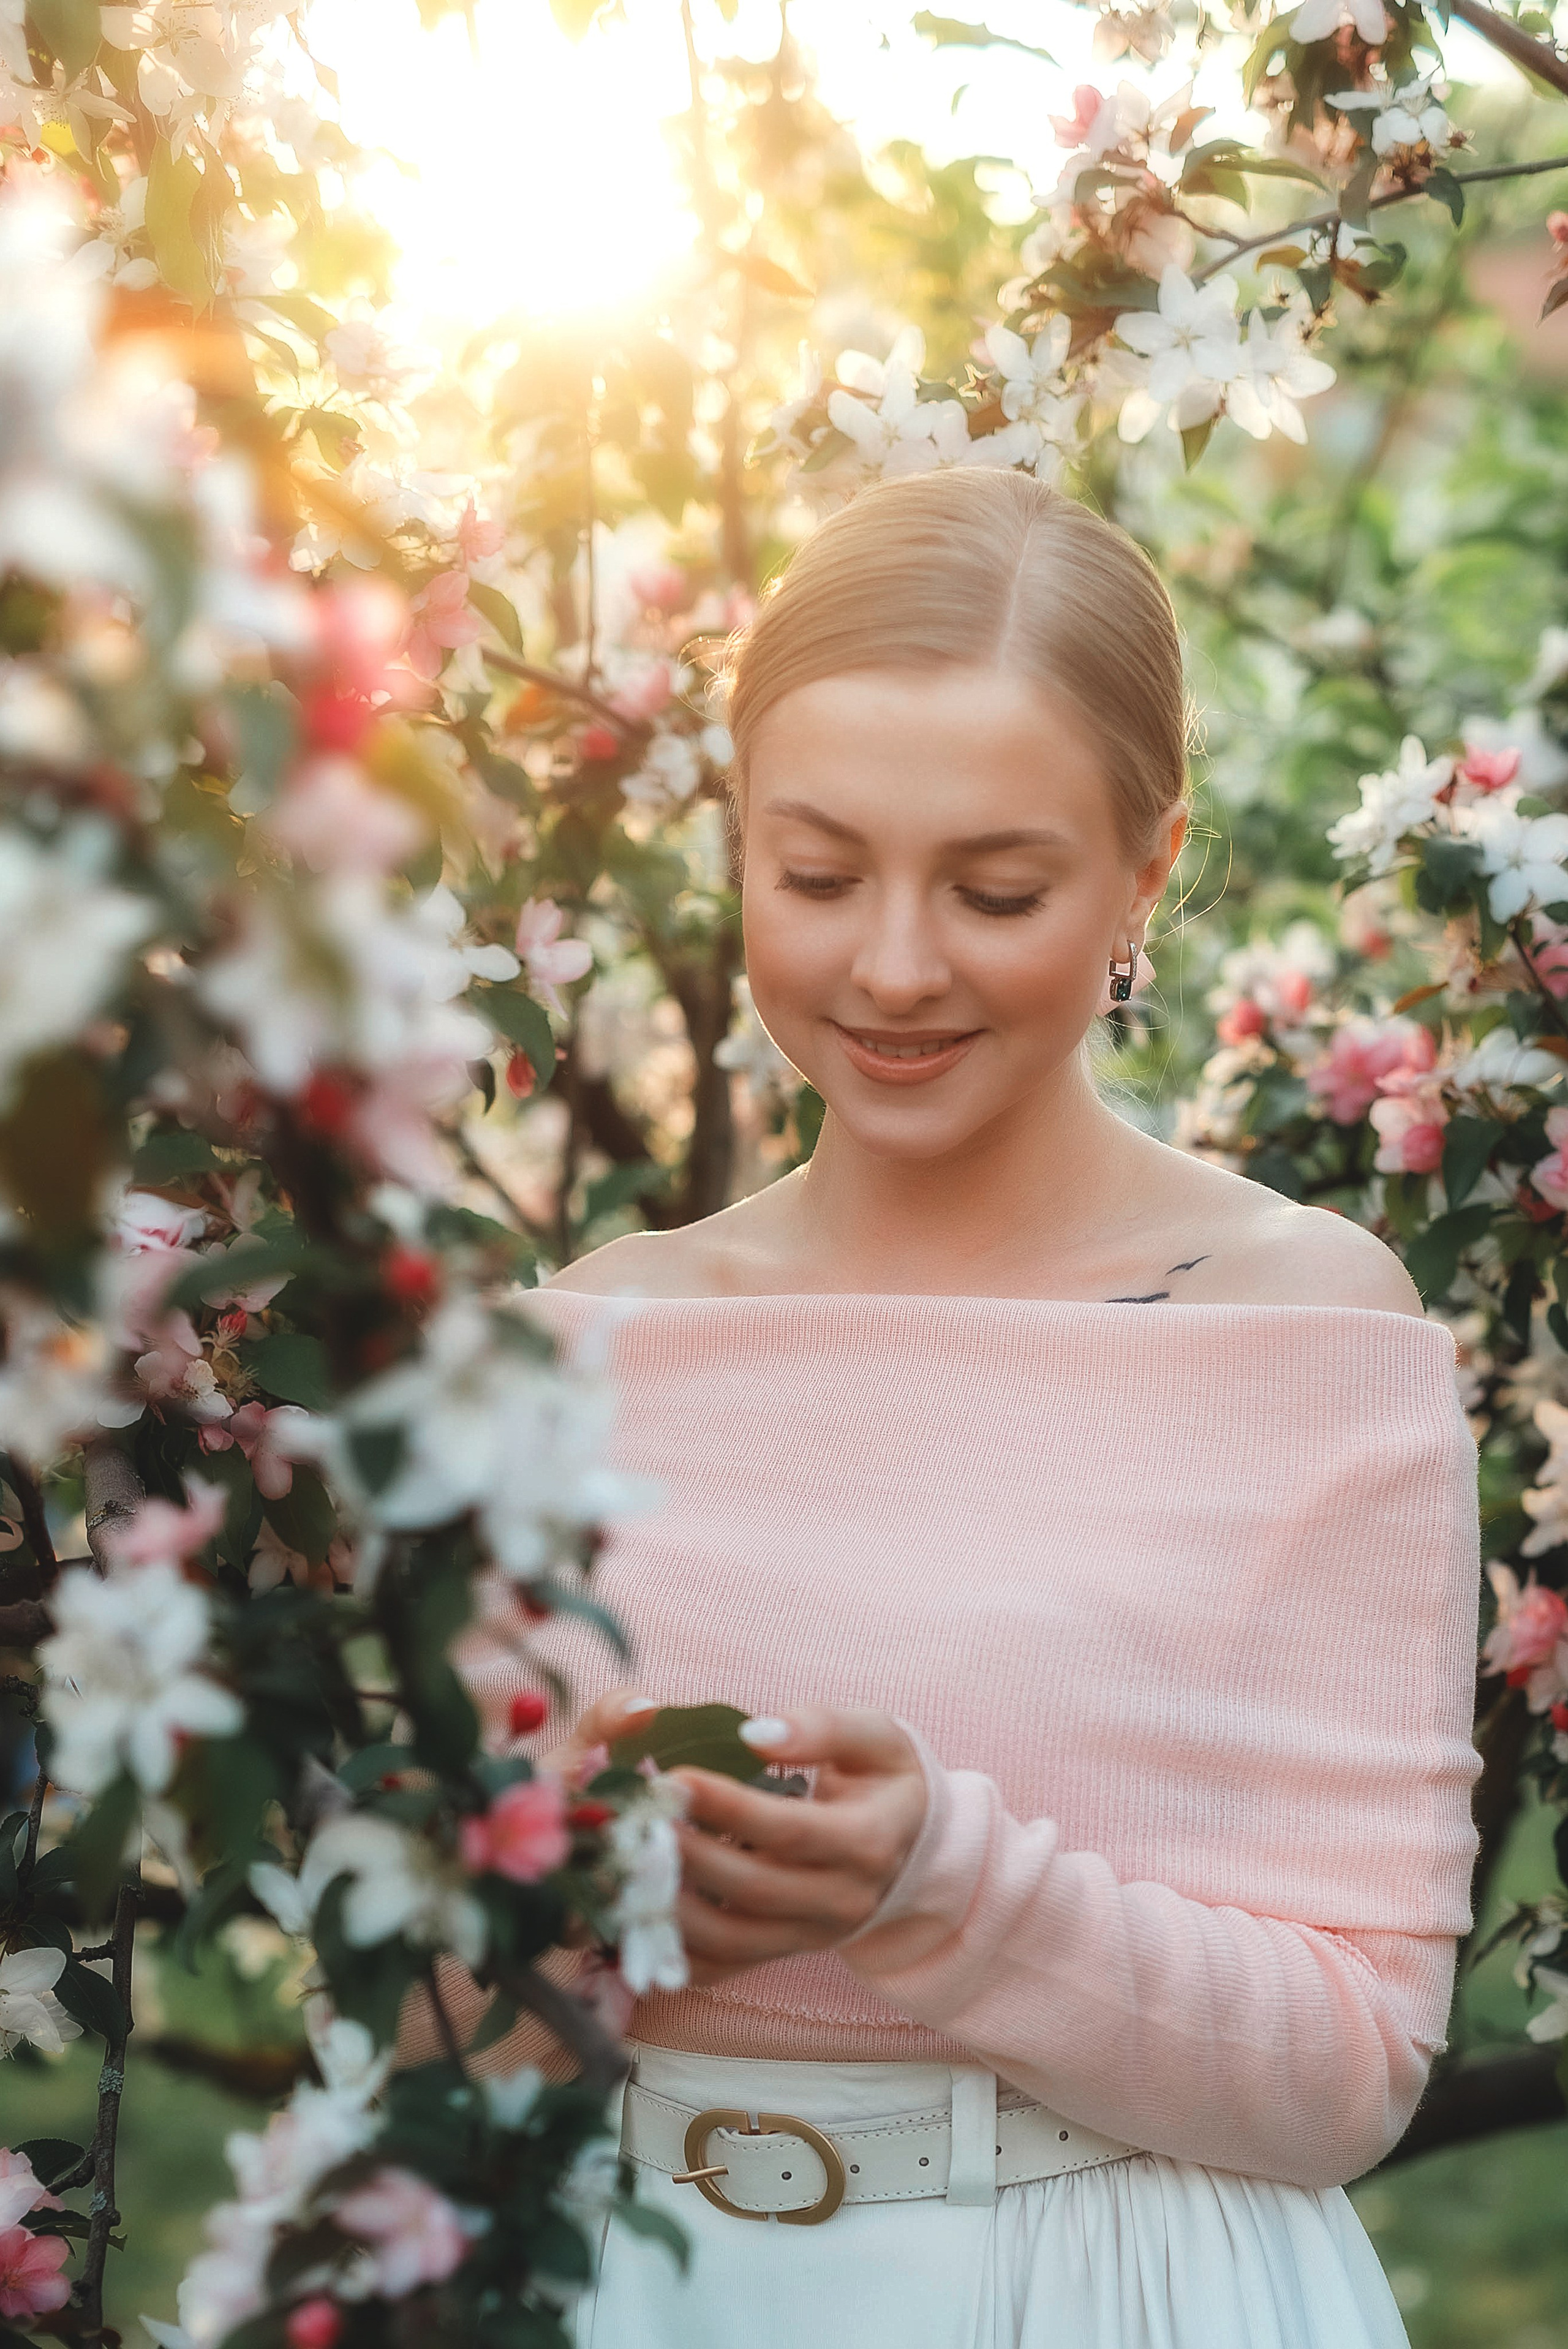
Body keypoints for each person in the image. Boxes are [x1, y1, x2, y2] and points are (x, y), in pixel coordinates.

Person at [460, 467, 1483, 2348]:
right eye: (821, 873)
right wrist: (553, 1901)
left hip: (1115, 2284)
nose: (897, 964)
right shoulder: (584, 1341)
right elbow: (436, 2034)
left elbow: (1355, 2065)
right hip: (643, 2289)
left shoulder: (1300, 1324)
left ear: (1144, 871)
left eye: (995, 887)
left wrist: (943, 1886)